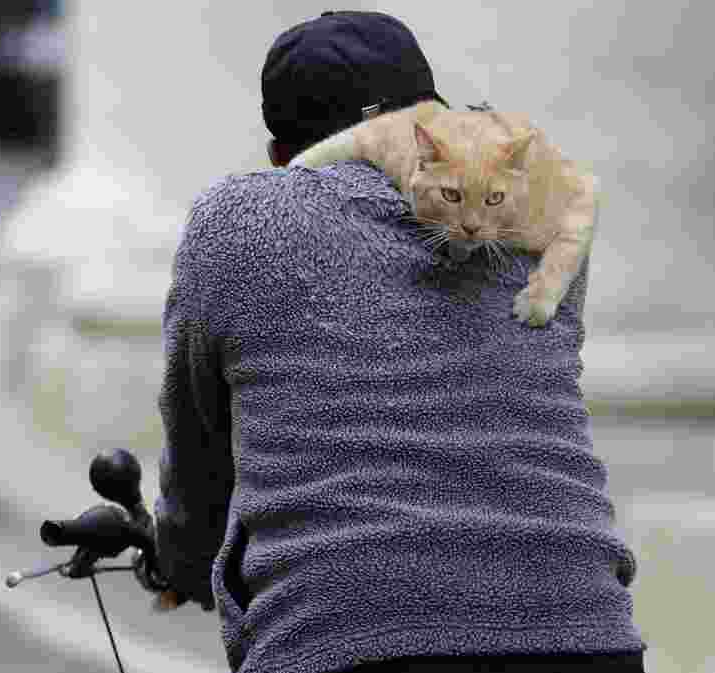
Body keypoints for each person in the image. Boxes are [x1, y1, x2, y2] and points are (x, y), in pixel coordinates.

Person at [151, 10, 647, 673]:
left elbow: (197, 449)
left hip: (341, 641)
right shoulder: (534, 217)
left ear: (282, 159)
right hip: (585, 633)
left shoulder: (236, 221)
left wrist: (179, 557)